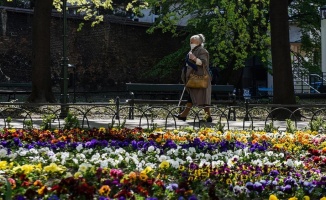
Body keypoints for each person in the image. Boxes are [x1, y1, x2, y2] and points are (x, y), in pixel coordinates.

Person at [174, 34, 212, 122]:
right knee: (197, 97)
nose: (190, 43)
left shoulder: (202, 51)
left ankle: (184, 115)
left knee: (199, 97)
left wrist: (194, 58)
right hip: (194, 78)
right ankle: (207, 116)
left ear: (198, 42)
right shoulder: (193, 50)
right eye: (190, 41)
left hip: (199, 78)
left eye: (192, 41)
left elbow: (203, 63)